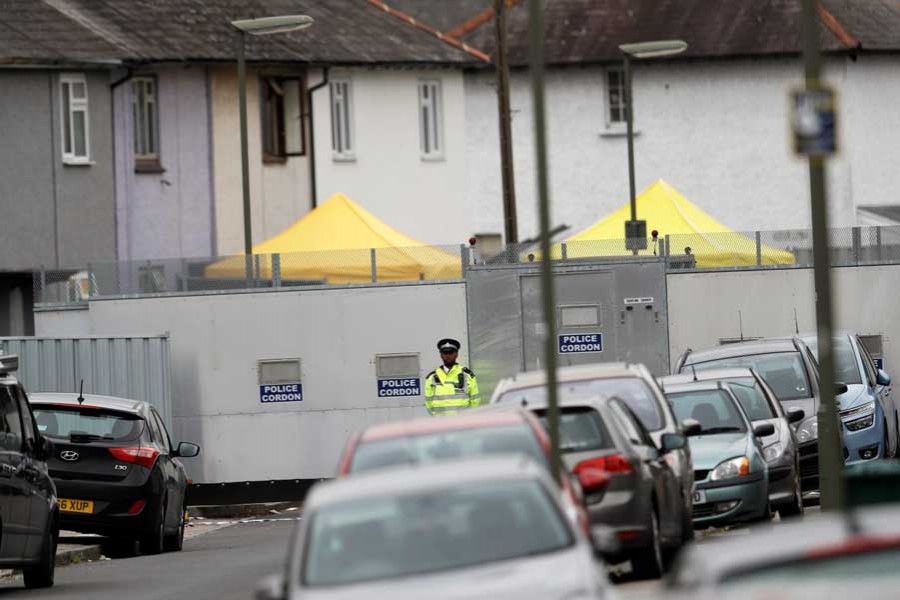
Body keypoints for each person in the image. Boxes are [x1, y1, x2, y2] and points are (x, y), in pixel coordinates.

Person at [423, 338, 480, 416]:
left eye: (451, 352)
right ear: (441, 355)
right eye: (445, 353)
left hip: (463, 423)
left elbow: (475, 401)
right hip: (441, 423)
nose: (448, 355)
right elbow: (428, 402)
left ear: (456, 354)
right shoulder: (431, 377)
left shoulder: (468, 375)